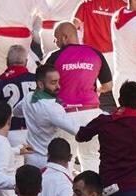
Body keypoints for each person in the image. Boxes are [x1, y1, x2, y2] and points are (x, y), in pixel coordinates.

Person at [49, 22, 113, 174]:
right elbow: (109, 85)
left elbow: (44, 86)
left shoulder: (54, 57)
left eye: (56, 38)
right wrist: (96, 90)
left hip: (65, 114)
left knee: (65, 160)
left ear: (65, 37)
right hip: (92, 113)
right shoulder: (95, 53)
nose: (55, 42)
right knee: (91, 157)